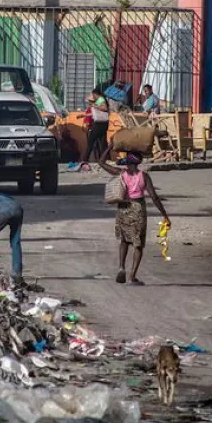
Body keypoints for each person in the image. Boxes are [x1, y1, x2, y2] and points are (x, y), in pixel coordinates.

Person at [96, 146, 170, 286]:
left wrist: (110, 146)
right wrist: (165, 215)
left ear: (127, 161)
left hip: (123, 208)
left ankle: (121, 267)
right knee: (138, 244)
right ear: (139, 161)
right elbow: (154, 197)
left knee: (124, 240)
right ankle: (132, 276)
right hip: (138, 209)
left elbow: (101, 162)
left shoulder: (121, 173)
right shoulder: (144, 176)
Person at [82, 87, 110, 163]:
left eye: (93, 94)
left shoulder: (101, 99)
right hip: (104, 123)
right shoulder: (101, 99)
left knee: (90, 141)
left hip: (99, 124)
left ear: (95, 94)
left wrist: (95, 106)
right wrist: (84, 115)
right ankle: (104, 159)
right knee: (102, 142)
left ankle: (85, 159)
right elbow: (97, 113)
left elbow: (104, 108)